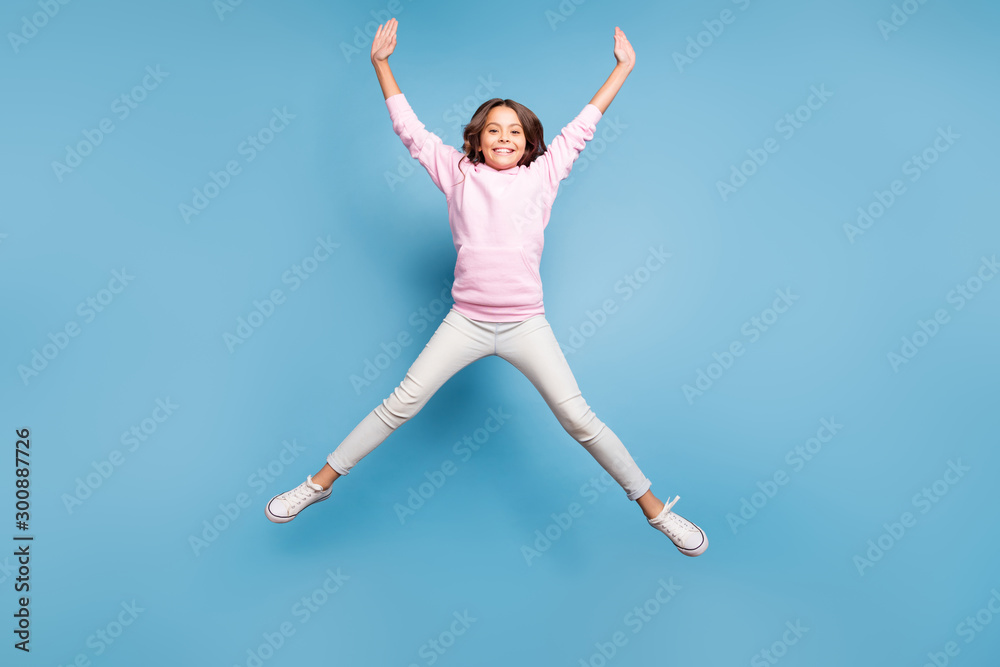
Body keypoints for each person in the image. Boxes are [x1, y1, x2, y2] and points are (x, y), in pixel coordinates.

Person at [265, 19, 707, 557]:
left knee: (579, 419)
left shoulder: (543, 175)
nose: (504, 138)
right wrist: (381, 64)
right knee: (399, 405)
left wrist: (623, 69)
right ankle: (316, 485)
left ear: (529, 143)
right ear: (476, 138)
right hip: (466, 323)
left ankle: (658, 512)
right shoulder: (455, 172)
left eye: (515, 131)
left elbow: (584, 124)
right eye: (494, 130)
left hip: (526, 325)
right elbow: (410, 130)